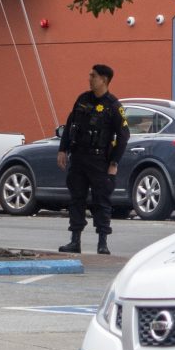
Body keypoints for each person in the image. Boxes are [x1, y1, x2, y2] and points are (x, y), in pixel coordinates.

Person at [57, 64, 130, 255]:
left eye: (93, 76)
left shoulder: (113, 106)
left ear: (104, 80)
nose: (89, 78)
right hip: (79, 158)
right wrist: (62, 149)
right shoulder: (82, 99)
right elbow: (70, 124)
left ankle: (102, 242)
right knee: (76, 199)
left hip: (100, 161)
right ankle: (75, 241)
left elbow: (123, 136)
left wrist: (114, 163)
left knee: (102, 201)